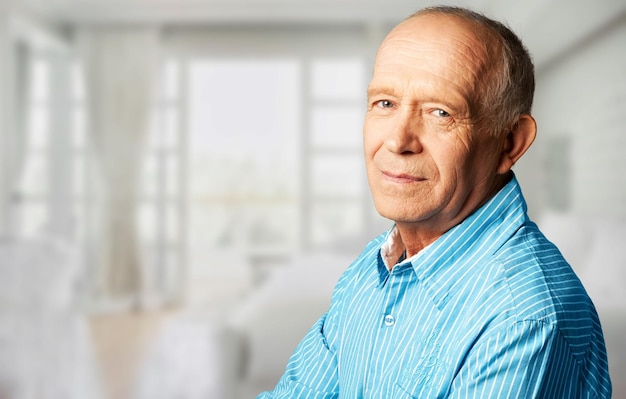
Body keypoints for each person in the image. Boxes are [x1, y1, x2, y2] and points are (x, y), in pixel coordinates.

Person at [258, 6, 612, 398]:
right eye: (385, 103)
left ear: (509, 143)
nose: (397, 141)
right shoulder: (371, 269)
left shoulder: (522, 318)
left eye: (440, 112)